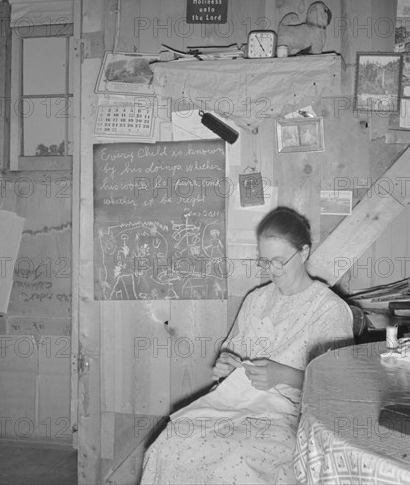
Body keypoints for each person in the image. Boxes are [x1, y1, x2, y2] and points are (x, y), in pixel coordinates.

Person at [140, 206, 354, 484]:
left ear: (303, 253)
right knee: (167, 443)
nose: (272, 270)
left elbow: (339, 389)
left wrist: (283, 375)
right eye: (265, 262)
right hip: (235, 405)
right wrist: (226, 367)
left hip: (290, 417)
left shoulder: (329, 310)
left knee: (235, 462)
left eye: (279, 260)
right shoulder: (256, 300)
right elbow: (231, 360)